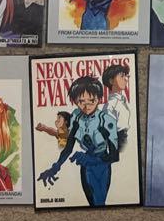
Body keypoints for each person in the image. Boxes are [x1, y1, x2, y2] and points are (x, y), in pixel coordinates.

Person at [38, 75, 119, 206]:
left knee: (100, 203)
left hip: (102, 165)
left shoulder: (106, 121)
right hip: (86, 167)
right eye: (81, 101)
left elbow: (114, 156)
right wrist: (55, 167)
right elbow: (69, 147)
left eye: (91, 100)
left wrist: (92, 160)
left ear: (99, 98)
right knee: (94, 204)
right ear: (75, 101)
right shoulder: (76, 118)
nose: (86, 106)